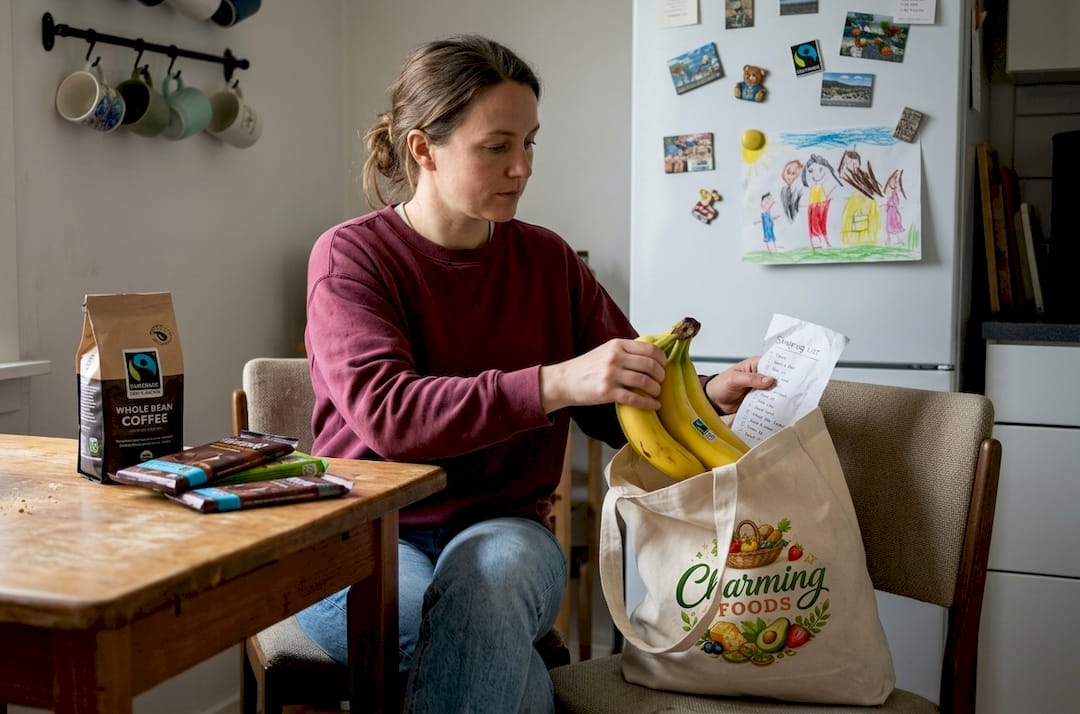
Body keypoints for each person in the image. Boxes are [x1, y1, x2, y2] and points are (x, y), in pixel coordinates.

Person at [299, 34, 773, 713]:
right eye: (496, 147)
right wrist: (555, 381)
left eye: (530, 143)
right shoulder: (352, 257)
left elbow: (616, 407)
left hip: (506, 529)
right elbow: (390, 415)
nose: (521, 167)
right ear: (422, 149)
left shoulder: (550, 263)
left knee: (486, 597)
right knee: (470, 646)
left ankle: (510, 656)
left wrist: (703, 397)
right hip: (366, 532)